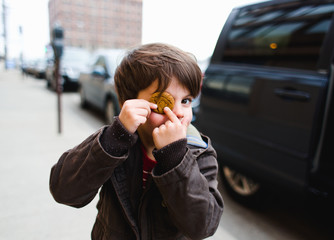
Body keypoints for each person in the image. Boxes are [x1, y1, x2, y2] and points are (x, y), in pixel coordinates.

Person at [49, 43, 224, 240]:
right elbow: (64, 191)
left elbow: (202, 226)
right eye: (162, 102)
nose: (178, 113)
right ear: (129, 104)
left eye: (186, 100)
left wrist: (175, 159)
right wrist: (115, 138)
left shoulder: (200, 153)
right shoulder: (112, 142)